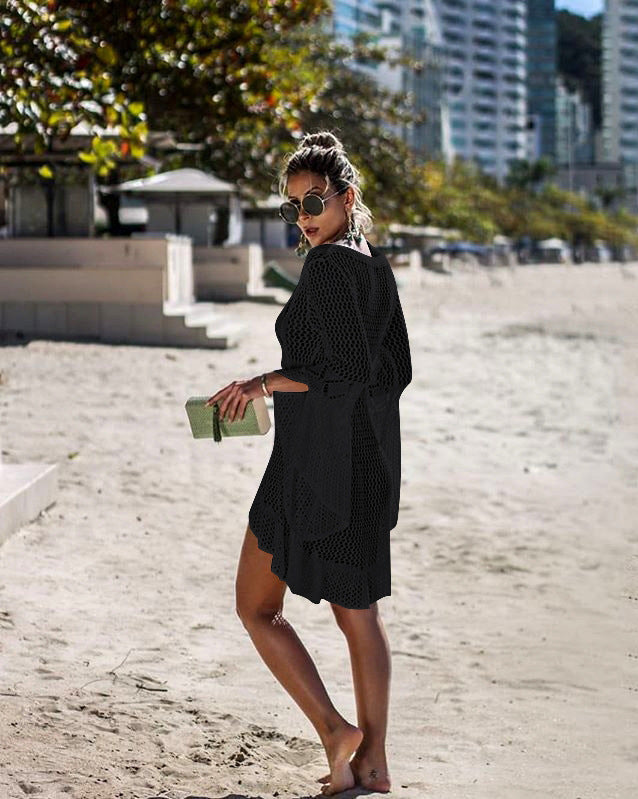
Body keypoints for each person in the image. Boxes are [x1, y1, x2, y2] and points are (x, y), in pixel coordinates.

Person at [203, 130, 412, 796]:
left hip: (311, 469)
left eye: (316, 201)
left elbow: (339, 369)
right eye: (295, 205)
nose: (305, 216)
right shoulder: (373, 263)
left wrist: (260, 383)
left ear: (347, 197)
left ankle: (335, 731)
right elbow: (394, 372)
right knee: (360, 613)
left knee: (256, 607)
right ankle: (373, 764)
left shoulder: (327, 267)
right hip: (369, 464)